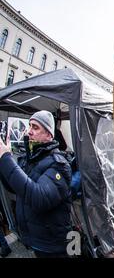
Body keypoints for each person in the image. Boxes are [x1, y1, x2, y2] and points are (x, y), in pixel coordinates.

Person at [0, 110, 72, 258]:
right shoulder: (28, 159)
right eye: (29, 126)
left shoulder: (59, 164)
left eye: (35, 127)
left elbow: (39, 199)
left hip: (53, 246)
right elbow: (13, 188)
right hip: (35, 240)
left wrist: (6, 158)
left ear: (49, 135)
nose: (29, 131)